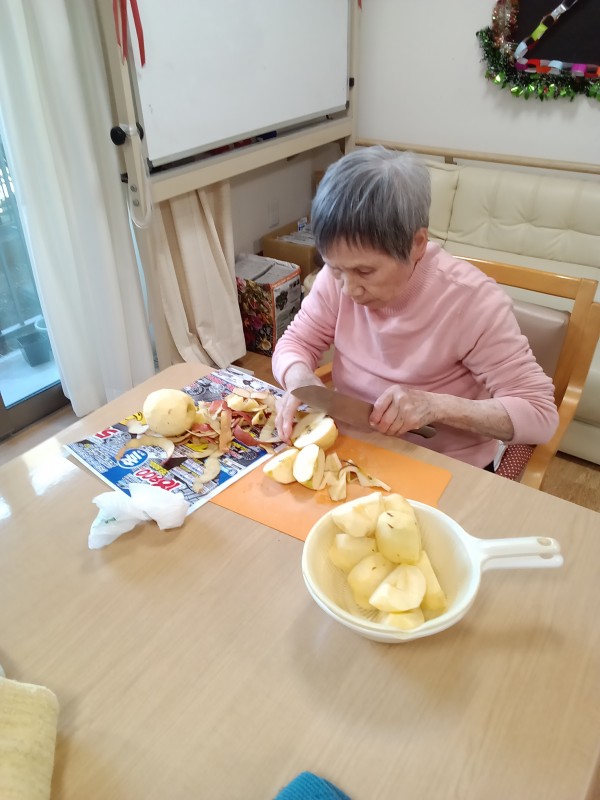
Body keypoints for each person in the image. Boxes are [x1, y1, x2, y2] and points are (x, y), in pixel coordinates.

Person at [272, 146, 559, 470]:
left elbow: (540, 414)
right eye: (336, 268)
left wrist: (436, 406)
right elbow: (296, 342)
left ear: (417, 244)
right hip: (348, 448)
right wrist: (300, 379)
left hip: (442, 467)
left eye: (365, 271)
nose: (349, 290)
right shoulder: (336, 278)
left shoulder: (471, 302)